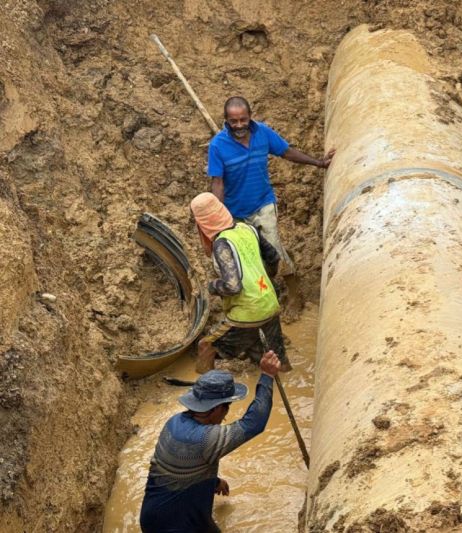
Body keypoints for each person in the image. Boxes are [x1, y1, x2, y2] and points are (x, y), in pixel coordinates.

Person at [140, 351, 281, 533]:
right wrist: (267, 376)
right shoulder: (206, 438)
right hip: (176, 524)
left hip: (155, 516)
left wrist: (213, 482)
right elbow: (254, 423)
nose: (226, 414)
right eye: (226, 407)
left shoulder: (174, 422)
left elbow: (180, 467)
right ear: (216, 409)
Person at [207, 95, 335, 277]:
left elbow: (286, 152)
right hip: (236, 213)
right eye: (233, 121)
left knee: (273, 250)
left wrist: (319, 163)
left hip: (263, 204)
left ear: (250, 116)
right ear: (226, 120)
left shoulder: (263, 133)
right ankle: (267, 285)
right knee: (248, 257)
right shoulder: (218, 146)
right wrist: (220, 216)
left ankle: (290, 285)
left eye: (243, 120)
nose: (239, 125)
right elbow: (217, 182)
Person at [190, 192, 289, 374]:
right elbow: (274, 258)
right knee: (276, 357)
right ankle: (281, 377)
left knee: (206, 346)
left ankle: (210, 391)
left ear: (202, 225)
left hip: (246, 314)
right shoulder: (247, 228)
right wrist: (265, 281)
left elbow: (233, 286)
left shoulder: (221, 244)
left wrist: (212, 287)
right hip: (269, 303)